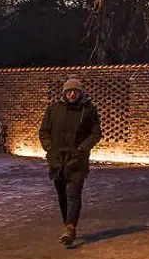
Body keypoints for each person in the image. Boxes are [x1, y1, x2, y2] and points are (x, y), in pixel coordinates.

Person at [38, 76, 102, 247]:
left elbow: (96, 133)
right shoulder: (53, 109)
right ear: (64, 92)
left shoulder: (88, 110)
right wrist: (49, 148)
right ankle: (68, 224)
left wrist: (83, 148)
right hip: (57, 159)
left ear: (80, 93)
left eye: (75, 91)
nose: (72, 94)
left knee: (73, 194)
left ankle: (70, 228)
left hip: (77, 160)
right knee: (62, 196)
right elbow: (44, 132)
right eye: (69, 91)